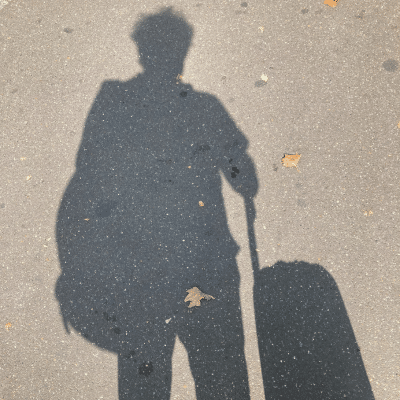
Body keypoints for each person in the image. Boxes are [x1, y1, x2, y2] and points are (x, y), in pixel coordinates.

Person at [56, 8, 258, 399]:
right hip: (202, 266)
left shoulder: (116, 103)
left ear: (142, 52)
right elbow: (245, 180)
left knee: (147, 384)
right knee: (222, 382)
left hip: (144, 271)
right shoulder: (203, 109)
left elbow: (87, 178)